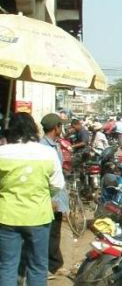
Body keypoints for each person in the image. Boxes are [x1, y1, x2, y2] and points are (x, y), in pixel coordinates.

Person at [0, 113, 64, 286]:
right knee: (38, 264)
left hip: (7, 216)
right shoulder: (47, 153)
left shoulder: (2, 152)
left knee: (7, 264)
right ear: (33, 130)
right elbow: (57, 184)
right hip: (38, 215)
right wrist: (43, 195)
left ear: (11, 131)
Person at [38, 113, 69, 276]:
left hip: (57, 195)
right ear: (56, 127)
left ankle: (55, 264)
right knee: (48, 232)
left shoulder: (55, 144)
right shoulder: (43, 146)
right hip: (50, 197)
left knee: (55, 231)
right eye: (60, 126)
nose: (61, 129)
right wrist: (50, 198)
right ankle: (49, 266)